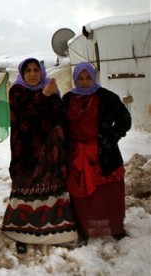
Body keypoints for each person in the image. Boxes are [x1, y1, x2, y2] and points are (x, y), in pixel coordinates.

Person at [1, 58, 78, 253]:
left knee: (52, 190)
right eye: (29, 71)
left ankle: (57, 233)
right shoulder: (17, 91)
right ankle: (20, 233)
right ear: (22, 73)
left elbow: (59, 114)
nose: (33, 74)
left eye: (36, 70)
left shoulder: (51, 90)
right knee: (25, 190)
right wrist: (45, 94)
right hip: (26, 153)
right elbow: (27, 113)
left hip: (50, 152)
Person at [62, 62, 131, 243]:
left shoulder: (107, 97)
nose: (84, 81)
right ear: (75, 79)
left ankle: (115, 228)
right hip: (77, 154)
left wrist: (111, 138)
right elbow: (59, 123)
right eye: (80, 78)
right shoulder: (68, 99)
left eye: (88, 77)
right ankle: (83, 229)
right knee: (81, 195)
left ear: (94, 78)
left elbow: (125, 119)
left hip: (104, 154)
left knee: (108, 193)